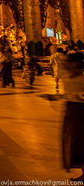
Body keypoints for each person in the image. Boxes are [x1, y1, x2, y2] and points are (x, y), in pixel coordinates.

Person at [62, 52, 84, 182]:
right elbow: (68, 94)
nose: (67, 64)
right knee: (74, 141)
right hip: (70, 111)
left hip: (81, 111)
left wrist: (79, 96)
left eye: (69, 61)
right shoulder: (66, 77)